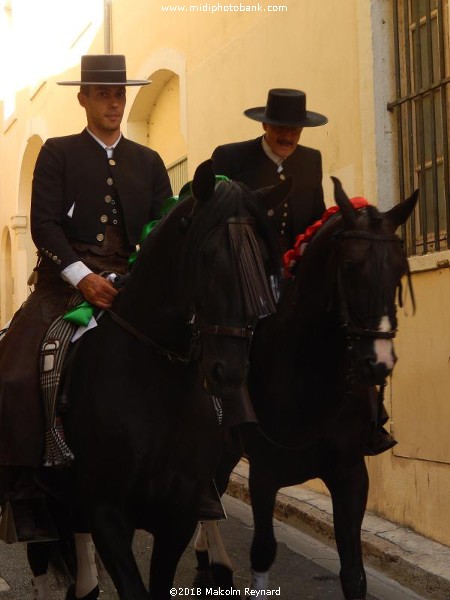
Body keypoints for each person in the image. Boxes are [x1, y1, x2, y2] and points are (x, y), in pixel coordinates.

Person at [0, 54, 172, 598]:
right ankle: (26, 485)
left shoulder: (149, 159)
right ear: (84, 100)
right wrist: (81, 278)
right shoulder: (57, 154)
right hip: (65, 285)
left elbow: (164, 224)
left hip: (134, 289)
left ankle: (202, 474)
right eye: (102, 93)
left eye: (119, 93)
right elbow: (45, 226)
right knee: (14, 376)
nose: (113, 101)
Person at [211, 88, 396, 455]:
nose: (288, 136)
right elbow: (218, 220)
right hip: (244, 269)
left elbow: (313, 217)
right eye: (281, 127)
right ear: (265, 125)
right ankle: (226, 417)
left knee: (347, 320)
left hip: (291, 270)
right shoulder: (230, 157)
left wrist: (307, 257)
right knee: (233, 332)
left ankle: (370, 417)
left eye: (295, 129)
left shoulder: (311, 160)